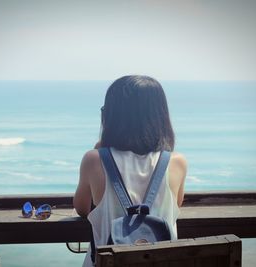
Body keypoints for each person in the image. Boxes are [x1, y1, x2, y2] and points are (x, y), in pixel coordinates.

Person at [73, 75, 187, 267]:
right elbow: (176, 205)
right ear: (161, 117)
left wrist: (101, 149)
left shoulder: (94, 160)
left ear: (111, 117)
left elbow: (82, 208)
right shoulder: (177, 162)